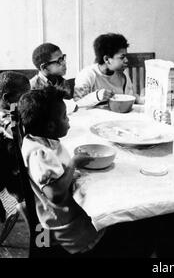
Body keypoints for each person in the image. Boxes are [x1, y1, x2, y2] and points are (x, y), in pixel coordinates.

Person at [18, 86, 155, 257]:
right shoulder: (41, 153)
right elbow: (55, 194)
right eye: (64, 117)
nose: (68, 120)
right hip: (68, 229)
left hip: (61, 217)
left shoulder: (38, 140)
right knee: (130, 224)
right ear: (51, 126)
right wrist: (74, 163)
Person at [74, 33, 139, 108]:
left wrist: (140, 99)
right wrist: (97, 96)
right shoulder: (87, 74)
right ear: (107, 59)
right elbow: (77, 104)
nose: (126, 60)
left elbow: (129, 96)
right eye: (122, 57)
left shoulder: (123, 73)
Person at [0, 71, 31, 212]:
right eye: (23, 98)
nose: (27, 101)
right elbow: (16, 136)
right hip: (13, 177)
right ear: (7, 98)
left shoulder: (11, 109)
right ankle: (39, 233)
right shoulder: (5, 120)